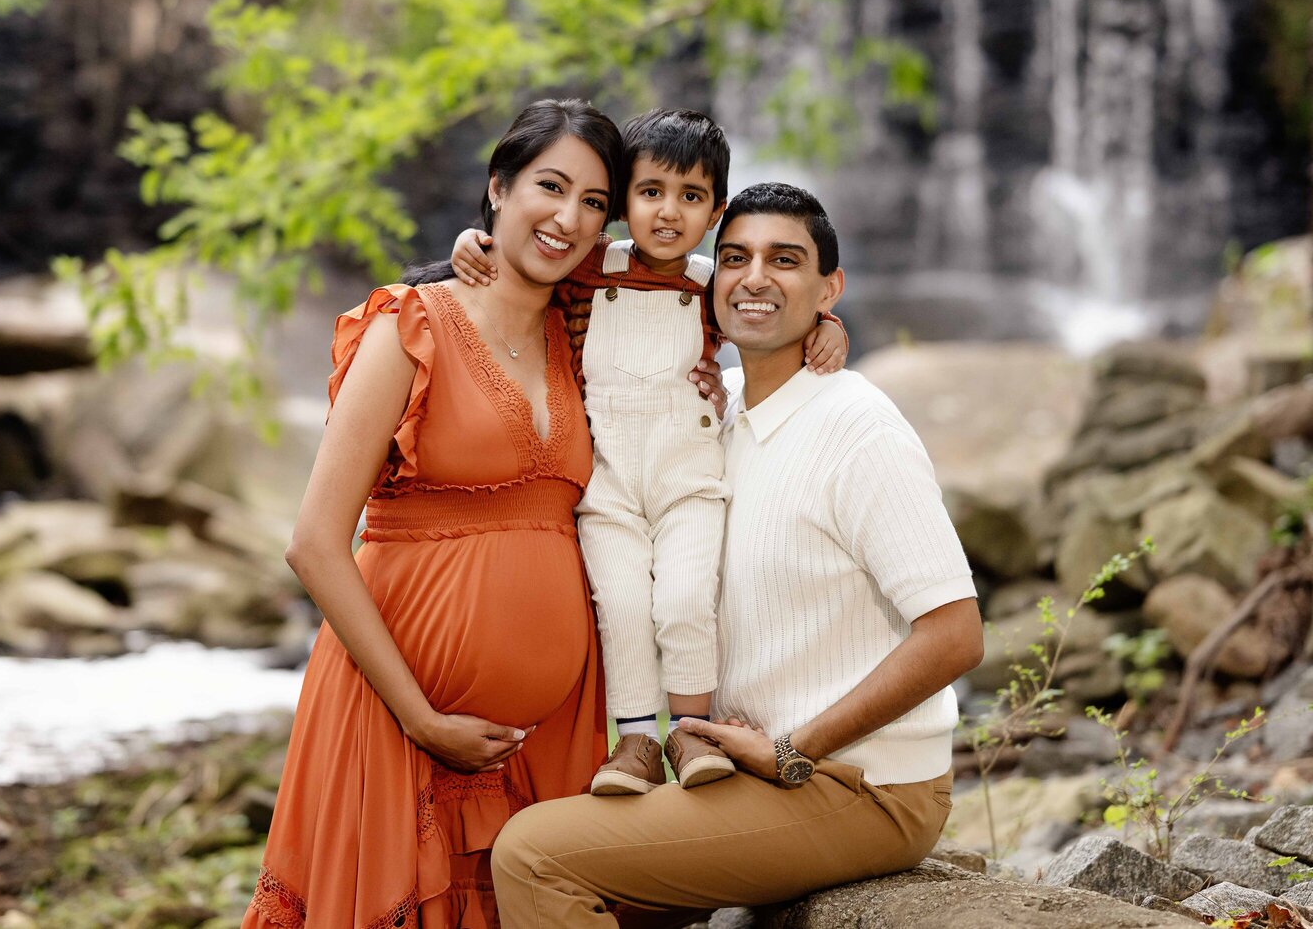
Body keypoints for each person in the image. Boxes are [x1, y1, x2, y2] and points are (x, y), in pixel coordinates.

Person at [490, 182, 986, 928]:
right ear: (706, 279)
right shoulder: (711, 407)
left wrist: (795, 749)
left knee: (532, 854)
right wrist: (476, 249)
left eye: (784, 260)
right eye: (734, 257)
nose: (754, 277)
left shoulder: (858, 426)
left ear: (830, 290)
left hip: (858, 785)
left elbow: (956, 634)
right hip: (740, 766)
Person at [241, 99, 629, 929]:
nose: (568, 218)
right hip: (396, 719)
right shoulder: (411, 325)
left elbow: (707, 282)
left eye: (593, 203)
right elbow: (313, 545)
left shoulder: (587, 328)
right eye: (550, 187)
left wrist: (823, 329)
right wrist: (421, 715)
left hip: (544, 739)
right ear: (497, 189)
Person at [451, 111, 847, 799]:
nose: (668, 212)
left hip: (687, 475)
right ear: (622, 202)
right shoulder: (583, 271)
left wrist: (829, 325)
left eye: (691, 198)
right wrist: (470, 240)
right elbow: (512, 256)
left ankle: (691, 730)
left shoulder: (710, 284)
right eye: (650, 192)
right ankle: (634, 738)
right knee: (625, 605)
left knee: (690, 598)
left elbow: (771, 308)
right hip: (605, 481)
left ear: (716, 212)